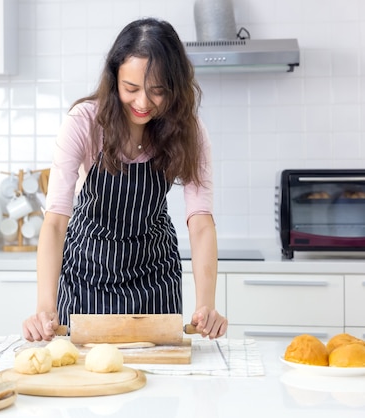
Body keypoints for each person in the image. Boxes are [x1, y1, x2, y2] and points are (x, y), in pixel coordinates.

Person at [22, 17, 228, 342]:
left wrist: (206, 305)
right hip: (88, 277)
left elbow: (201, 222)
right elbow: (55, 222)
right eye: (131, 89)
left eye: (157, 91)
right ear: (114, 77)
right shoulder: (85, 123)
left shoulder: (189, 131)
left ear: (174, 87)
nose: (143, 103)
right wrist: (45, 307)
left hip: (154, 279)